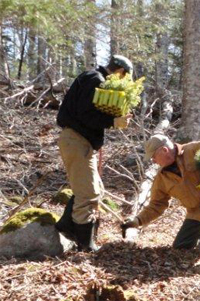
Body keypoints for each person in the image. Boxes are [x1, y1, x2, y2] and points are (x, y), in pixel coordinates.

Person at [121, 134, 200, 265]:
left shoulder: (194, 149)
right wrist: (137, 221)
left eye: (153, 156)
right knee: (181, 245)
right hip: (197, 212)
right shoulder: (162, 178)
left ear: (164, 150)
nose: (153, 161)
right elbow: (157, 205)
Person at [55, 55, 134, 252]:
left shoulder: (92, 78)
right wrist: (114, 122)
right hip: (77, 141)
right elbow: (86, 114)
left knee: (94, 188)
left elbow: (87, 113)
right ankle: (85, 244)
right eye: (124, 76)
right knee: (88, 193)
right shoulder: (96, 80)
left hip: (79, 141)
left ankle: (66, 225)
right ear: (120, 71)